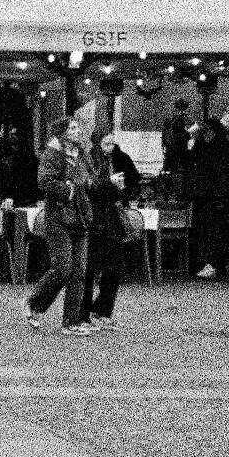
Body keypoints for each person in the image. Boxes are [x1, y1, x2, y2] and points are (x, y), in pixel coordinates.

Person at [22, 115, 94, 335]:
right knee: (62, 268)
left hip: (80, 218)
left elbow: (89, 177)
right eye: (72, 128)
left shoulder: (81, 153)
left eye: (78, 128)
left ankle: (70, 322)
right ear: (62, 132)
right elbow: (44, 181)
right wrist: (69, 189)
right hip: (58, 218)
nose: (77, 131)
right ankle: (34, 303)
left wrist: (91, 182)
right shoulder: (52, 152)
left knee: (79, 272)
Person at [85, 132, 135, 324]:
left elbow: (132, 180)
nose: (110, 147)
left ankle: (103, 311)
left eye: (113, 143)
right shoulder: (90, 160)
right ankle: (84, 312)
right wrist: (110, 183)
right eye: (106, 143)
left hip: (112, 217)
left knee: (114, 267)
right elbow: (90, 188)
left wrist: (123, 189)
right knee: (90, 267)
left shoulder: (118, 159)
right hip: (95, 218)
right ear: (97, 143)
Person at [184, 115, 229, 277]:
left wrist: (191, 141)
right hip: (217, 194)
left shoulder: (208, 145)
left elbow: (192, 161)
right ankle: (222, 262)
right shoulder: (223, 145)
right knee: (218, 229)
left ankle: (210, 263)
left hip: (209, 194)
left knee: (209, 229)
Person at [160, 101, 194, 185]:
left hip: (171, 150)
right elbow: (187, 135)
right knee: (181, 169)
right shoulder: (184, 119)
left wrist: (164, 146)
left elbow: (164, 136)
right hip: (180, 149)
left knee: (170, 168)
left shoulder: (171, 119)